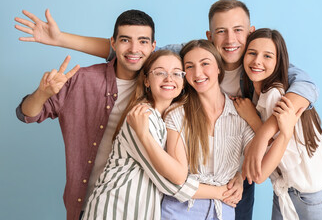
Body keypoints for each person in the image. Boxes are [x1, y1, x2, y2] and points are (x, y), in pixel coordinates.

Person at [14, 0, 318, 219]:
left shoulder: (257, 67)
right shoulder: (171, 91)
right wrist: (61, 39)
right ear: (209, 36)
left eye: (238, 30)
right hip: (164, 199)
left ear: (250, 32)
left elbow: (304, 83)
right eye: (220, 32)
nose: (230, 39)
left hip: (229, 192)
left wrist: (264, 133)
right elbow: (134, 51)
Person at [16, 10, 158, 220]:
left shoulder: (164, 86)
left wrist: (61, 38)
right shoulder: (82, 79)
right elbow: (27, 114)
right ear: (113, 43)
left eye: (143, 41)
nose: (134, 49)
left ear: (153, 46)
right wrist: (41, 94)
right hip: (89, 205)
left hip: (141, 207)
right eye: (125, 40)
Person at [82, 50, 234, 220]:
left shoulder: (169, 119)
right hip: (114, 210)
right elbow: (171, 181)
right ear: (147, 80)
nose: (169, 78)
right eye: (160, 72)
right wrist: (220, 192)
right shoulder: (141, 116)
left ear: (183, 82)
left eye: (177, 73)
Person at [235, 28, 322, 219]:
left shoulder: (274, 96)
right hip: (285, 194)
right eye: (252, 53)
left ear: (279, 62)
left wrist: (253, 119)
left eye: (267, 56)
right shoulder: (256, 93)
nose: (257, 61)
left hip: (314, 199)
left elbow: (262, 172)